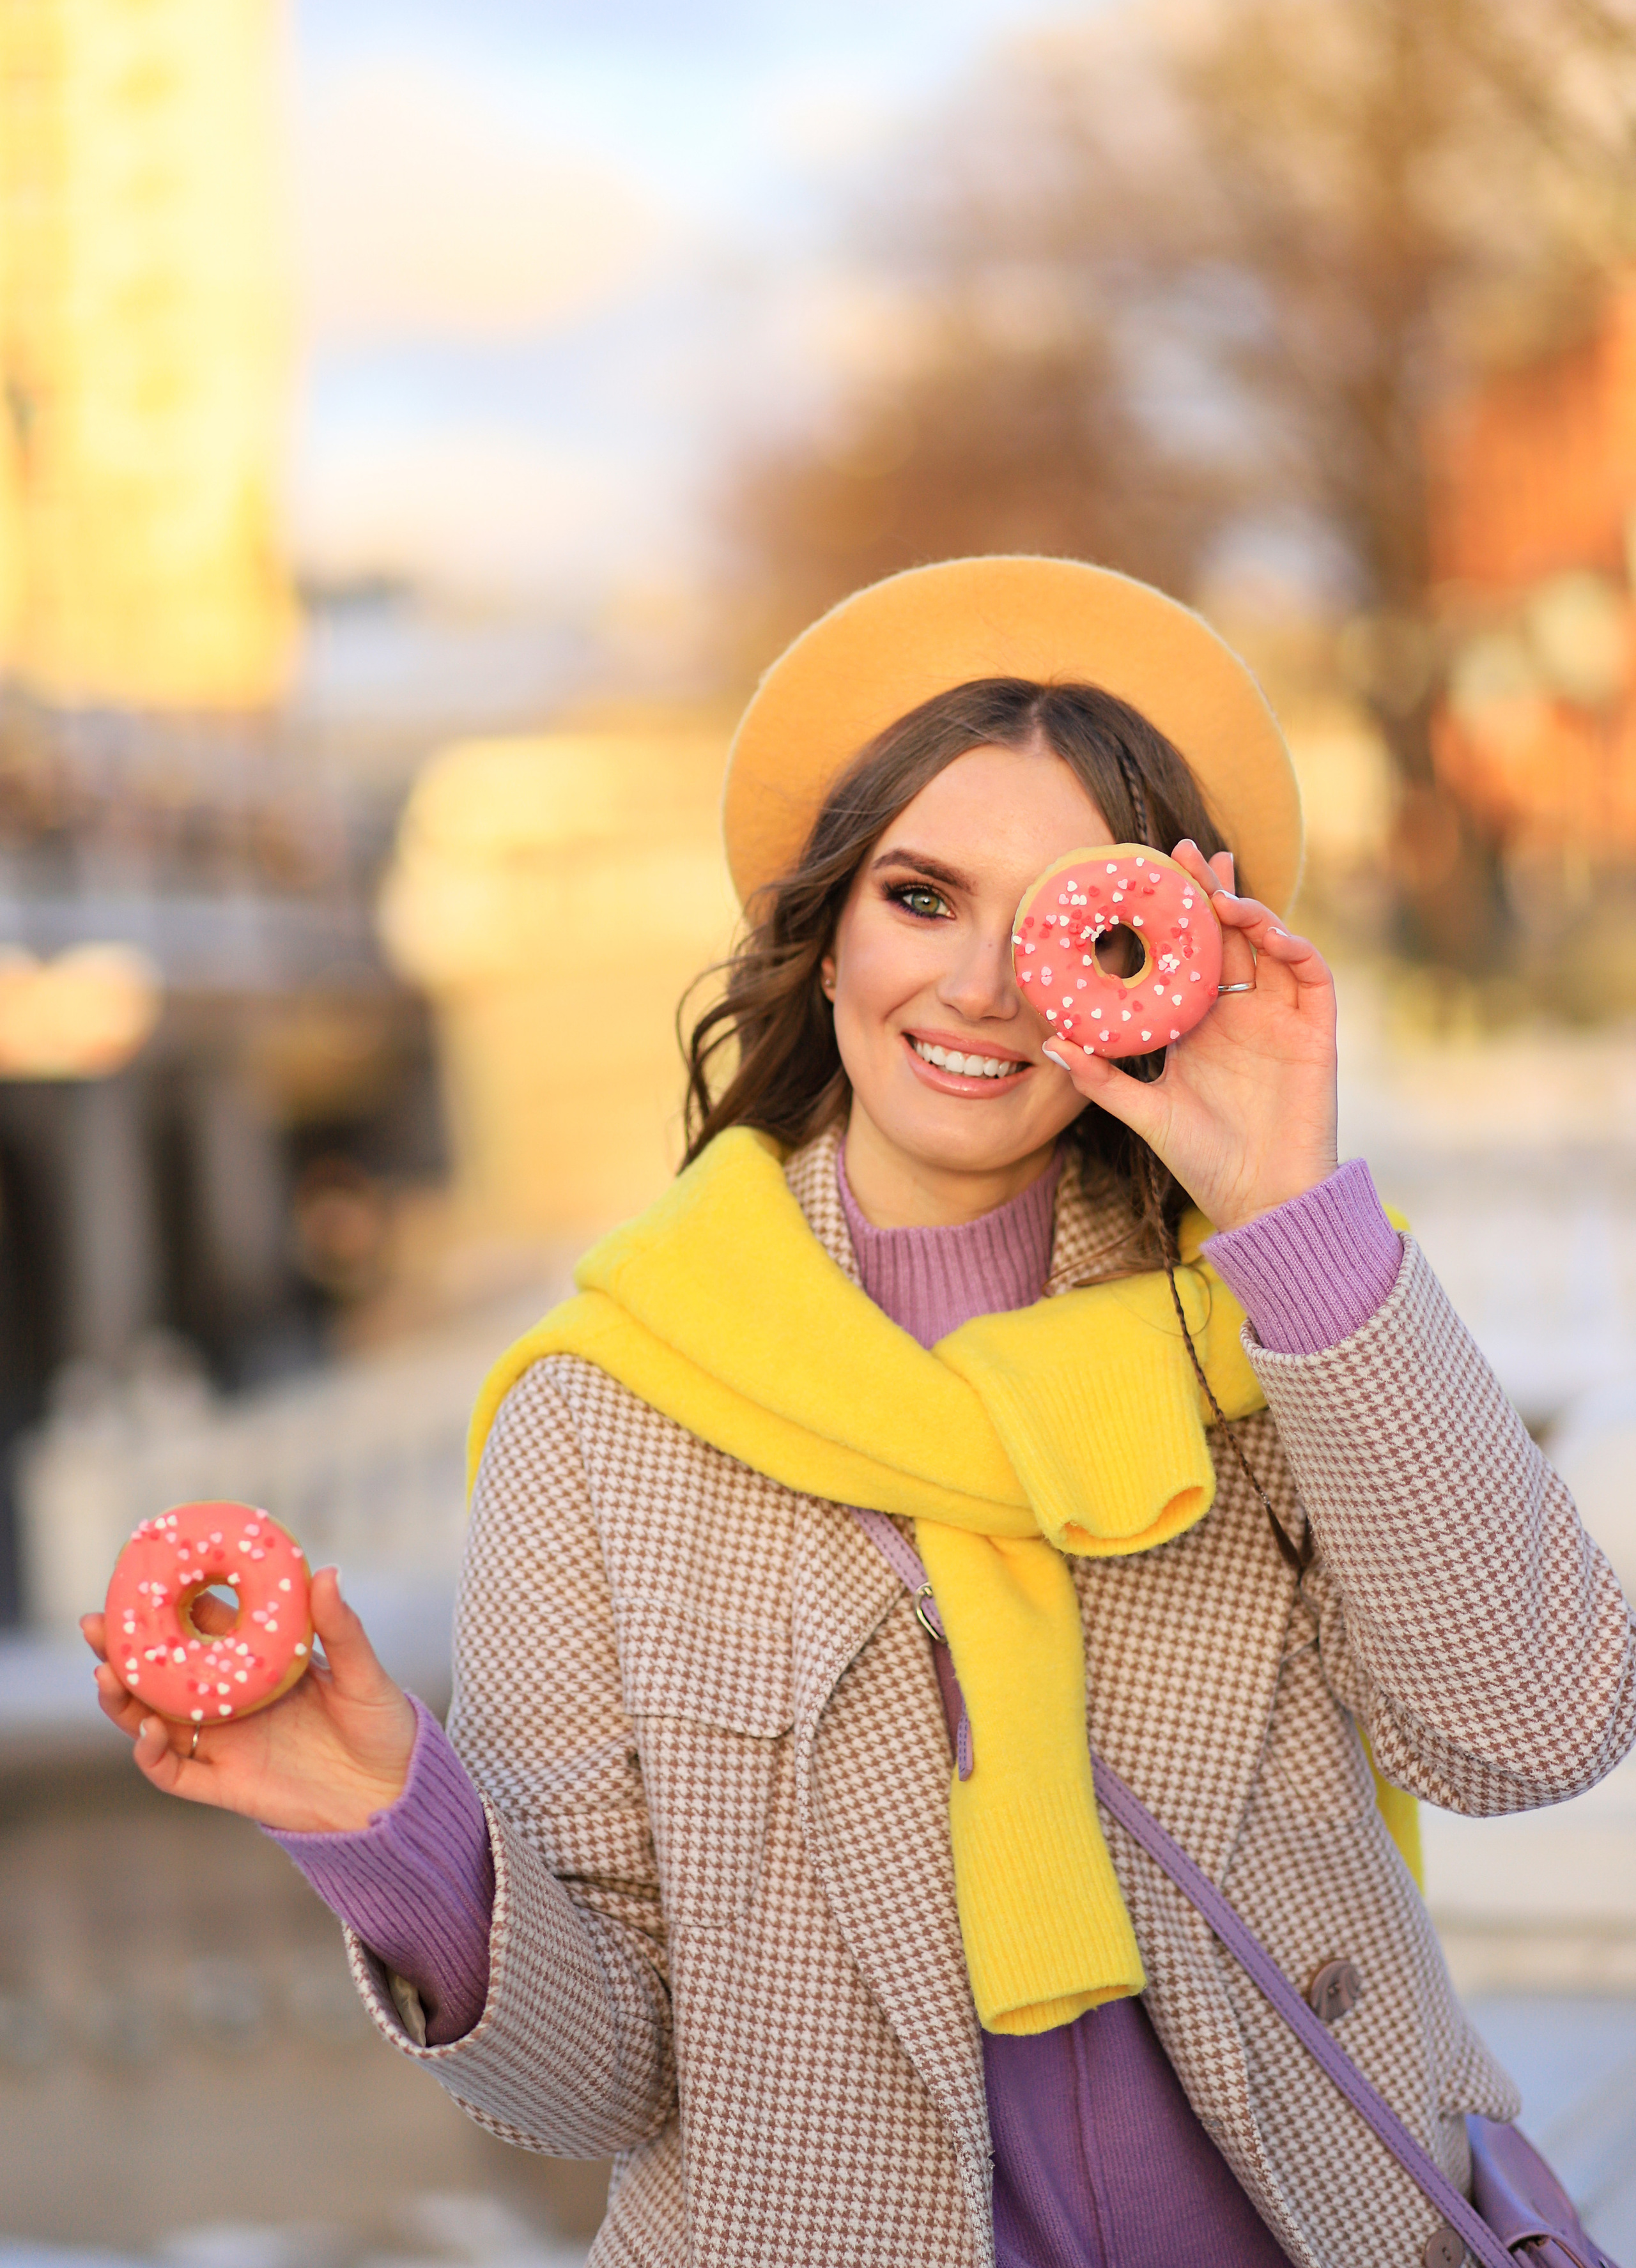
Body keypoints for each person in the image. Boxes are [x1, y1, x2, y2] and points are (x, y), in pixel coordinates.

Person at [84, 558, 1636, 2268]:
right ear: (821, 938)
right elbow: (599, 2082)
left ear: (1151, 963)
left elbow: (1534, 1731)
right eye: (919, 896)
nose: (978, 985)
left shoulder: (1283, 1324)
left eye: (1056, 917)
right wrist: (382, 1812)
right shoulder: (604, 1420)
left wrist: (1288, 1202)